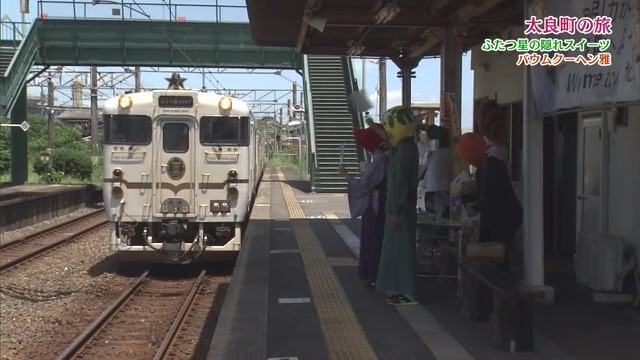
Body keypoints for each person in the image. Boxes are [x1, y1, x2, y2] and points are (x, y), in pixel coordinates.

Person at [371, 105, 419, 305]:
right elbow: (394, 148)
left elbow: (398, 185)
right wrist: (382, 134)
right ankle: (403, 289)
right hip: (406, 209)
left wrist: (392, 211)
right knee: (401, 250)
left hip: (399, 211)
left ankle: (408, 292)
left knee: (401, 252)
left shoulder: (401, 155)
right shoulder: (409, 148)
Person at [339, 124, 388, 289]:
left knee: (373, 241)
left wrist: (347, 176)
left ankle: (374, 276)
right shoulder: (381, 158)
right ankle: (374, 275)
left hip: (375, 206)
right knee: (373, 240)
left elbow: (366, 184)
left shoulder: (380, 159)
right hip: (377, 205)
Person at [418, 125, 451, 219]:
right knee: (442, 217)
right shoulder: (447, 151)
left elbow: (422, 150)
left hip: (431, 189)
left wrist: (417, 135)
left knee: (432, 218)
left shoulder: (432, 151)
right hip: (443, 188)